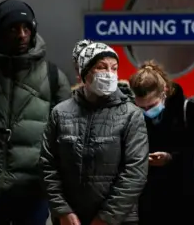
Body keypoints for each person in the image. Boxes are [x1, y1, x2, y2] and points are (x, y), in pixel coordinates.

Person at [0, 0, 71, 225]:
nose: (22, 34)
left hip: (33, 191)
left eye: (26, 28)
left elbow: (68, 137)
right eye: (13, 28)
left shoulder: (54, 77)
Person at [40, 42, 149, 225]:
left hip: (118, 220)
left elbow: (135, 171)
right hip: (71, 219)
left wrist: (105, 218)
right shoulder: (60, 113)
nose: (109, 73)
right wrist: (62, 210)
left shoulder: (131, 114)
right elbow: (47, 164)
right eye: (101, 67)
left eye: (114, 68)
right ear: (84, 72)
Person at [128, 60, 194, 225]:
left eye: (152, 105)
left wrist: (171, 158)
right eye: (142, 108)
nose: (147, 112)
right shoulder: (134, 115)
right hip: (149, 202)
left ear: (164, 90)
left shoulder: (190, 111)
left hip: (185, 200)